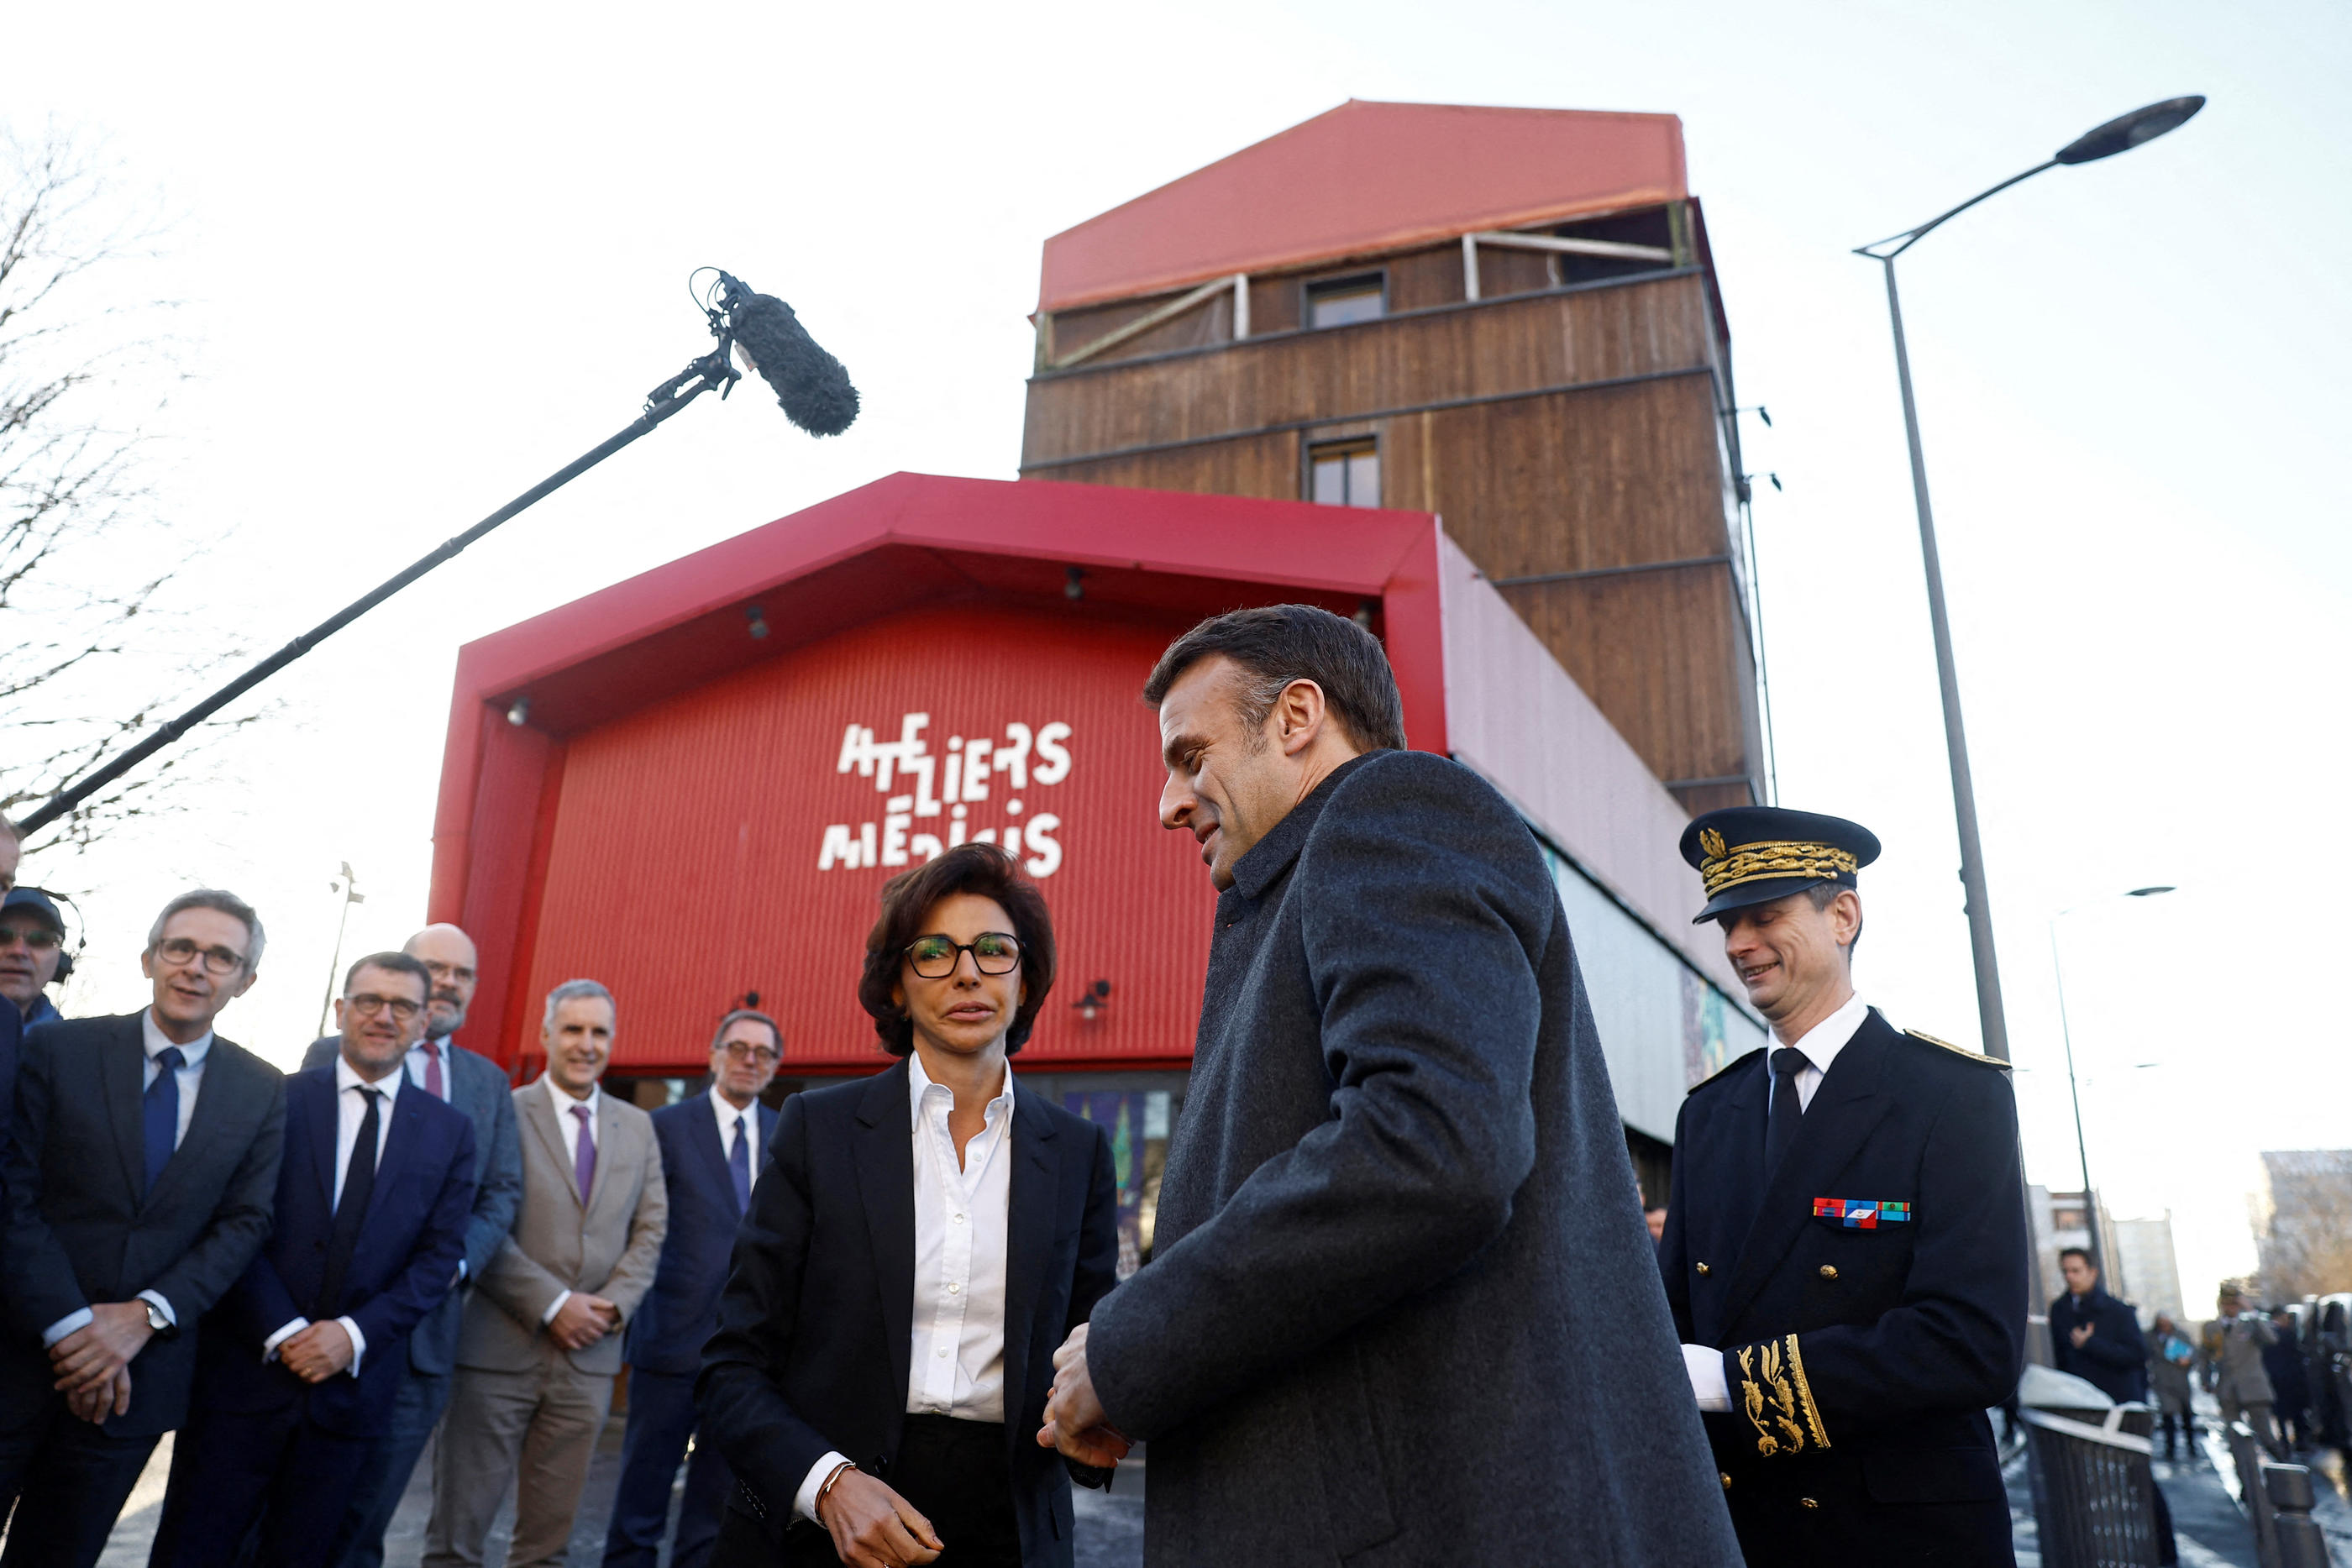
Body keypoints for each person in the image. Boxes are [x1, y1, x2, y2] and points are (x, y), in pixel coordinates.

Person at [1035, 606, 1737, 1564]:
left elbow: (1430, 1144)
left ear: (1296, 717)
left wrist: (1129, 1349)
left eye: (1191, 756)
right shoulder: (1301, 883)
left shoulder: (1387, 808)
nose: (1170, 801)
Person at [700, 842, 1121, 1568]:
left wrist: (1106, 1411)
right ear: (895, 984)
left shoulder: (1079, 1152)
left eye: (995, 949)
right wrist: (827, 1484)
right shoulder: (818, 1130)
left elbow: (1084, 1358)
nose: (966, 971)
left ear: (1026, 980)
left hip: (1009, 1532)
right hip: (826, 1530)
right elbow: (732, 1364)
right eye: (934, 951)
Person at [1660, 807, 2028, 1568]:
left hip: (1898, 1539)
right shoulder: (1709, 1115)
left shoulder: (1951, 1095)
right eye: (1726, 922)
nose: (1737, 944)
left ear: (1844, 915)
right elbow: (1674, 1319)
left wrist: (1735, 1381)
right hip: (1742, 1532)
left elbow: (1973, 1344)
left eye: (1764, 916)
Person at [148, 953, 478, 1568]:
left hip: (351, 1392)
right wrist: (285, 1330)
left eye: (402, 1005)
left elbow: (439, 1258)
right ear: (341, 1010)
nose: (384, 1016)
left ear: (424, 1021)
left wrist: (351, 1336)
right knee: (194, 1548)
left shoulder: (450, 1130)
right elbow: (234, 1222)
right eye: (370, 1000)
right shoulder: (275, 1099)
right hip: (242, 1377)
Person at [0, 889, 288, 1567]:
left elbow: (245, 1222)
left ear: (246, 981)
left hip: (139, 1379)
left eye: (221, 956)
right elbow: (12, 1193)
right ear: (148, 958)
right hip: (15, 1355)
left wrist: (144, 1317)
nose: (195, 967)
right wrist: (73, 1326)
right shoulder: (60, 1048)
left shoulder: (263, 1088)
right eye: (180, 947)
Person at [297, 925, 524, 1568]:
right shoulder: (328, 1055)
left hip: (419, 1343)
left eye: (464, 972)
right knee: (289, 1516)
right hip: (323, 1326)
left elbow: (502, 1193)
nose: (450, 980)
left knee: (363, 1527)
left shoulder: (487, 1083)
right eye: (436, 967)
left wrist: (449, 1267)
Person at [423, 980, 666, 1568]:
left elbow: (651, 1228)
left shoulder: (637, 1126)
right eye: (574, 1029)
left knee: (548, 1546)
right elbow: (482, 1223)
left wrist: (609, 1306)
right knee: (457, 1535)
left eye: (599, 1031)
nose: (586, 1043)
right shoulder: (502, 1110)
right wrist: (555, 1302)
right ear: (547, 1034)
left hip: (590, 1360)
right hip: (496, 1354)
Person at [601, 1009, 784, 1568]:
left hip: (748, 1352)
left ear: (775, 1065)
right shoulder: (665, 1126)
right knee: (641, 1498)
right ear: (712, 1055)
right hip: (670, 1342)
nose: (749, 1059)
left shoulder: (788, 1133)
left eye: (762, 1052)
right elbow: (638, 1225)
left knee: (714, 1503)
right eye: (737, 1047)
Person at [2049, 1248, 2148, 1405]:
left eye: (2076, 1271)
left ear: (2092, 1272)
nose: (2069, 1277)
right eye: (2065, 1271)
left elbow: (2137, 1356)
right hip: (2080, 1404)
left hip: (2117, 1404)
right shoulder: (2059, 1310)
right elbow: (2061, 1360)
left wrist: (2090, 1344)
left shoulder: (2119, 1311)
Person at [2202, 1287, 2282, 1459]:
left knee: (2266, 1436)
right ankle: (2246, 1482)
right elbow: (2205, 1356)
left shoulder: (2251, 1324)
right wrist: (2206, 1380)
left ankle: (2288, 1475)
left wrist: (2251, 1310)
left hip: (2254, 1388)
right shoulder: (2211, 1328)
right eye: (2227, 1304)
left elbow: (2271, 1338)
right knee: (2235, 1439)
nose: (2231, 1308)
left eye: (2234, 1304)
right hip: (2227, 1390)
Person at [0, 887, 71, 1029]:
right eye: (2, 936)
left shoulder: (71, 1047)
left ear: (60, 961)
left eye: (41, 940)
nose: (19, 951)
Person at [2146, 1312, 2198, 1459]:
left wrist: (2188, 1361)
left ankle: (2191, 1446)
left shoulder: (2181, 1335)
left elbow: (2194, 1354)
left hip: (2180, 1381)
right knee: (2168, 1415)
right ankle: (2170, 1448)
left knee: (2186, 1415)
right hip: (2162, 1382)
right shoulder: (2150, 1338)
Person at [2263, 1307, 2311, 1452]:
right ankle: (2297, 1441)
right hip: (2290, 1378)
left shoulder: (2266, 1333)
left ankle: (2285, 1440)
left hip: (2275, 1378)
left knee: (2281, 1412)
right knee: (2293, 1410)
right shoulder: (2285, 1333)